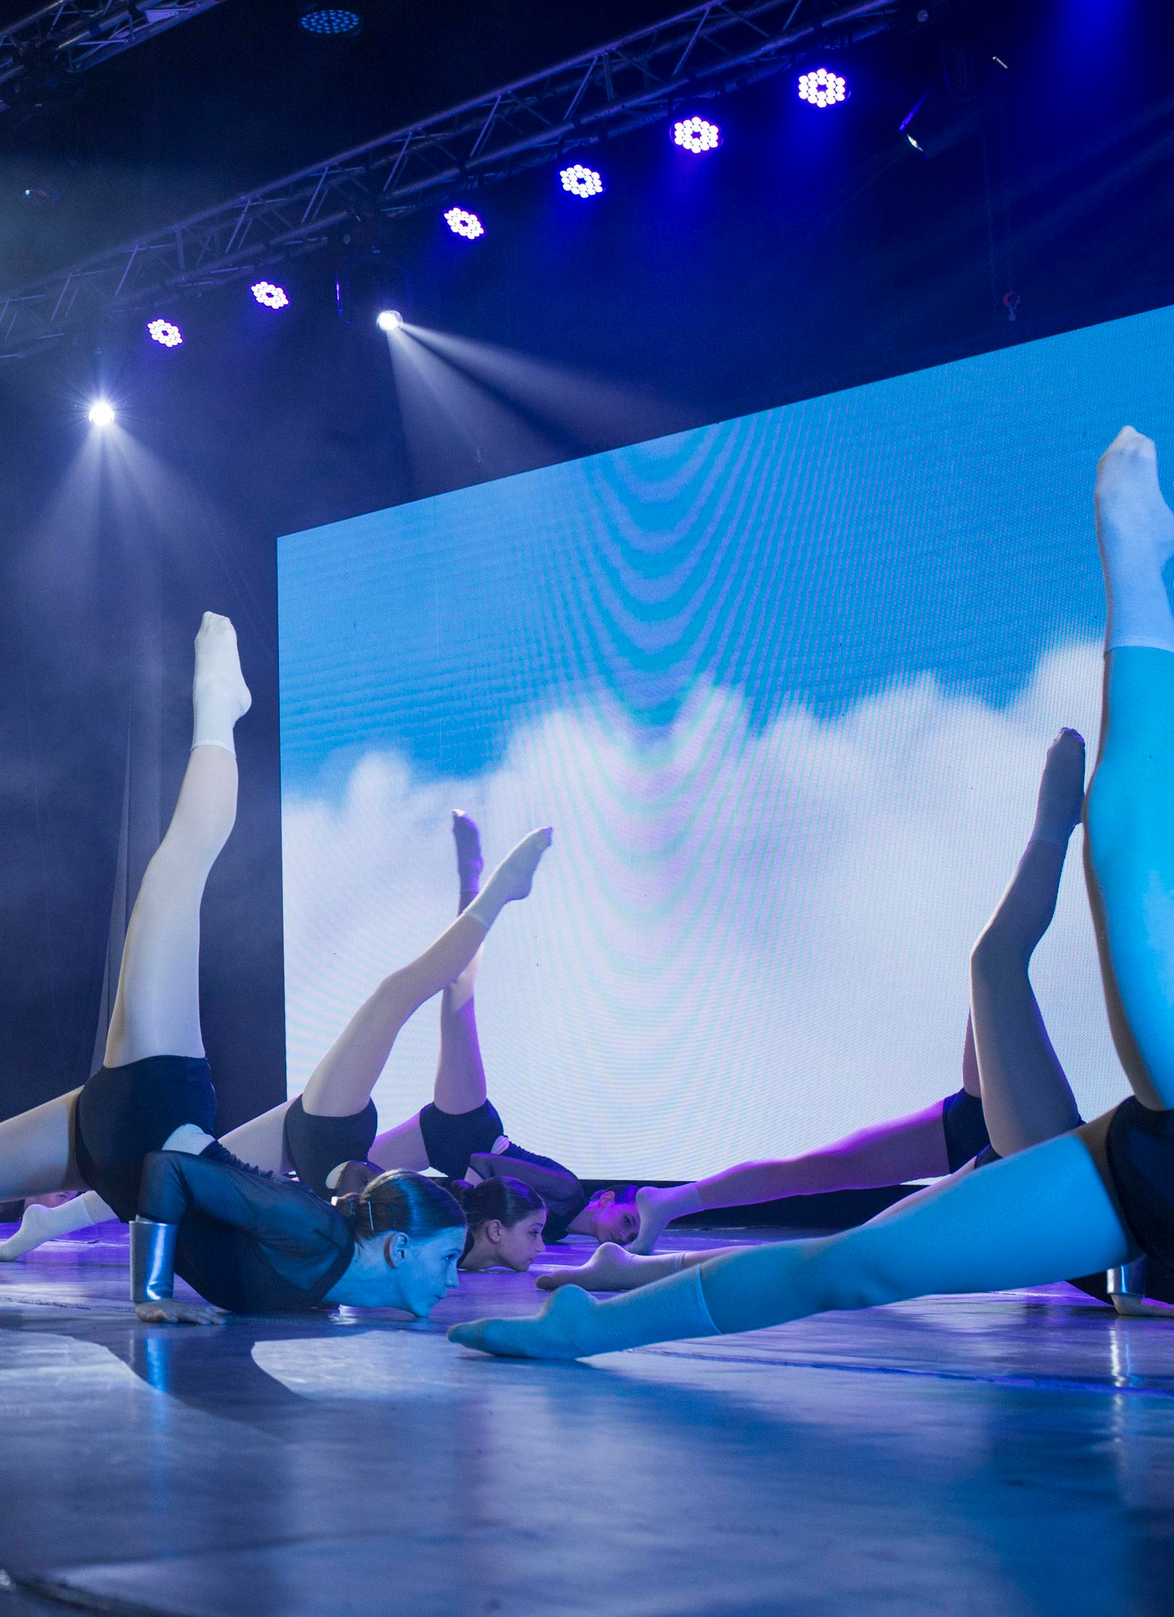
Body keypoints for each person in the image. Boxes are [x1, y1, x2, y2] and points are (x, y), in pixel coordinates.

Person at [450, 426, 1174, 1361]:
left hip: (1122, 1195)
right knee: (849, 1261)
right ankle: (591, 1325)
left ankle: (1136, 582)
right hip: (1137, 1178)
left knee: (853, 1250)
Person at [0, 614, 491, 1326]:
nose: (457, 1278)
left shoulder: (330, 1277)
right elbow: (174, 1172)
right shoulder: (317, 1237)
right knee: (179, 870)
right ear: (392, 1249)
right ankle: (218, 710)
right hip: (156, 1102)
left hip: (112, 1140)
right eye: (448, 1258)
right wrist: (148, 1290)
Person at [0, 811, 597, 1266]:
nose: (542, 1248)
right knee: (436, 1000)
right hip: (416, 1136)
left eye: (535, 1237)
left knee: (181, 1165)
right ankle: (482, 890)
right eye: (538, 1236)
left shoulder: (455, 1245)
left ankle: (49, 1225)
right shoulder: (560, 1205)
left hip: (333, 1147)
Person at [617, 731, 1093, 1254]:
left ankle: (669, 1205)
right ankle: (669, 1203)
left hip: (1008, 1144)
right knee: (825, 1173)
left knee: (831, 1184)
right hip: (1004, 1133)